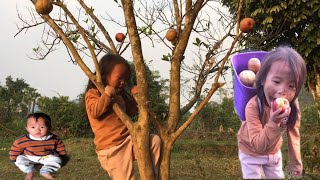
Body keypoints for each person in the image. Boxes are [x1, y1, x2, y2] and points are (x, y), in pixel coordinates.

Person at [85, 54, 161, 180]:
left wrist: (136, 99)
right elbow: (95, 111)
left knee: (154, 141)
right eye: (120, 78)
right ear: (104, 76)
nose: (123, 82)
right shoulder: (93, 93)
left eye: (125, 79)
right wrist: (106, 95)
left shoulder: (119, 96)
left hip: (129, 141)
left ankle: (153, 177)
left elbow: (129, 112)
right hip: (112, 149)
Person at [237, 46, 307, 179]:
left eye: (291, 86)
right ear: (263, 79)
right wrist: (274, 122)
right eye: (276, 81)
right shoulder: (253, 106)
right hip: (251, 152)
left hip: (273, 152)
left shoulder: (291, 105)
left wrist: (296, 165)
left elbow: (294, 133)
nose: (283, 91)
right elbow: (257, 145)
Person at [9, 112, 69, 180]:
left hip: (46, 156)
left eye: (42, 127)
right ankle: (29, 170)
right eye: (33, 127)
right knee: (19, 159)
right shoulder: (22, 140)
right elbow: (15, 149)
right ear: (27, 128)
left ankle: (46, 170)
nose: (37, 130)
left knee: (56, 159)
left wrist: (62, 155)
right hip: (29, 156)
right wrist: (13, 158)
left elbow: (60, 147)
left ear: (49, 127)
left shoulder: (54, 138)